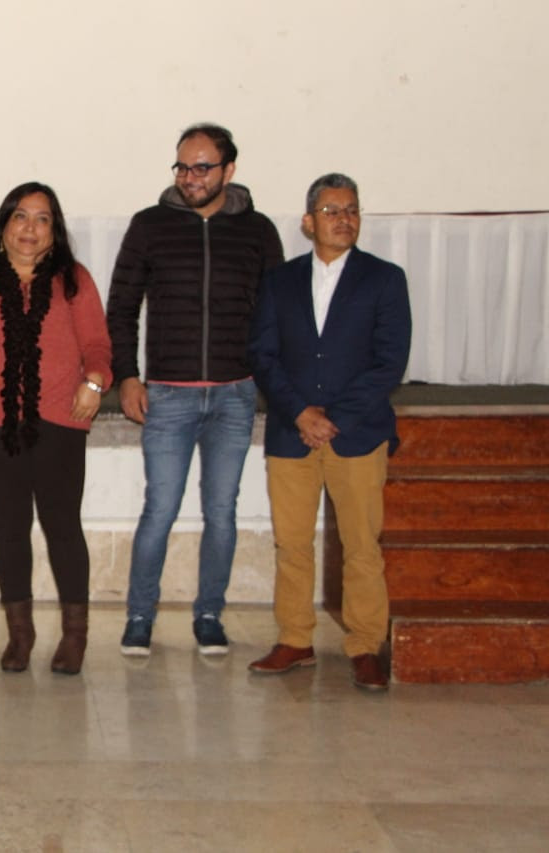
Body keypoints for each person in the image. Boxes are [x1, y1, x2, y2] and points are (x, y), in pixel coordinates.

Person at [106, 123, 283, 657]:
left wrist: (268, 380)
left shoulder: (258, 231)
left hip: (234, 395)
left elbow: (275, 313)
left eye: (202, 167)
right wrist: (127, 375)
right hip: (168, 395)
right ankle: (140, 616)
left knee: (222, 511)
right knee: (159, 509)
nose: (190, 177)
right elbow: (121, 307)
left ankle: (210, 614)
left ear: (229, 170)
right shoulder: (150, 225)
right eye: (183, 167)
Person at [0, 182, 111, 675]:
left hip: (61, 421)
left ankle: (74, 636)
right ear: (3, 225)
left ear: (54, 231)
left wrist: (94, 383)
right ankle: (21, 633)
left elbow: (98, 346)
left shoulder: (74, 280)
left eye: (42, 218)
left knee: (63, 528)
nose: (30, 228)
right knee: (9, 530)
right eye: (20, 216)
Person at [247, 173, 411, 691]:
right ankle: (295, 639)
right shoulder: (280, 281)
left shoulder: (384, 279)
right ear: (308, 222)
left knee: (361, 545)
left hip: (357, 433)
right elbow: (263, 356)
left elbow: (390, 362)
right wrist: (300, 413)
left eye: (352, 210)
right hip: (292, 434)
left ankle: (365, 645)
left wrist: (332, 417)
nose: (344, 219)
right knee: (292, 544)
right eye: (332, 210)